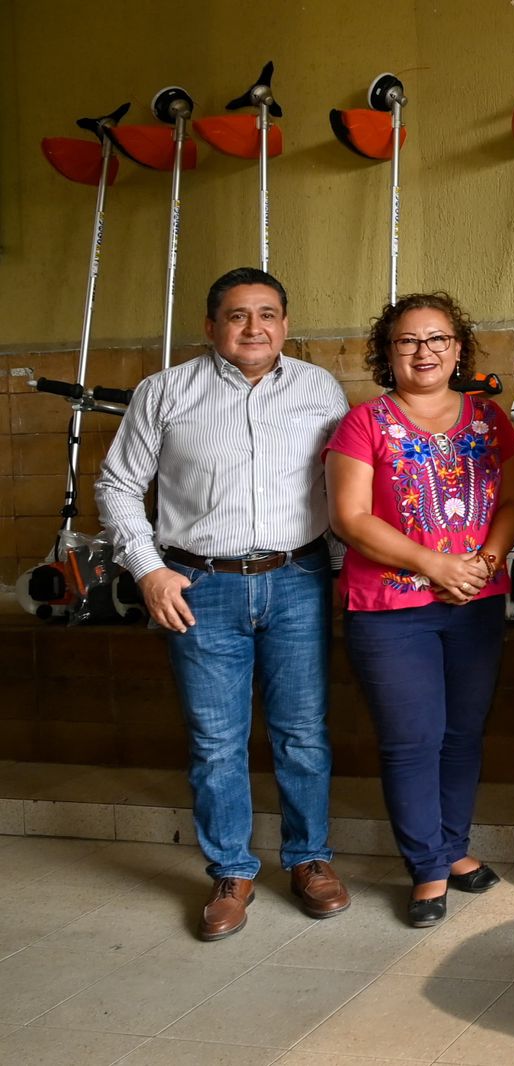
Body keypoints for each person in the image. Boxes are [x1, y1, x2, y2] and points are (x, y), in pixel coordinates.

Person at [95, 267, 351, 941]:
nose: (253, 328)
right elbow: (118, 485)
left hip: (298, 579)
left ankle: (309, 859)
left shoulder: (320, 389)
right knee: (215, 741)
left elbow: (343, 487)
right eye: (237, 316)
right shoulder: (164, 392)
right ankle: (231, 873)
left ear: (285, 325)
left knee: (303, 732)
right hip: (199, 586)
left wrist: (349, 577)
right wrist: (149, 571)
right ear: (212, 327)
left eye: (267, 314)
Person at [325, 293, 514, 927]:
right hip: (390, 610)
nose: (424, 352)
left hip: (475, 602)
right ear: (387, 353)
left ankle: (453, 847)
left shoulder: (490, 419)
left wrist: (484, 564)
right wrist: (435, 564)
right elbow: (350, 518)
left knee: (462, 735)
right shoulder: (364, 423)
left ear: (458, 348)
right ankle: (428, 867)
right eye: (408, 341)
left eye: (437, 339)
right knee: (413, 740)